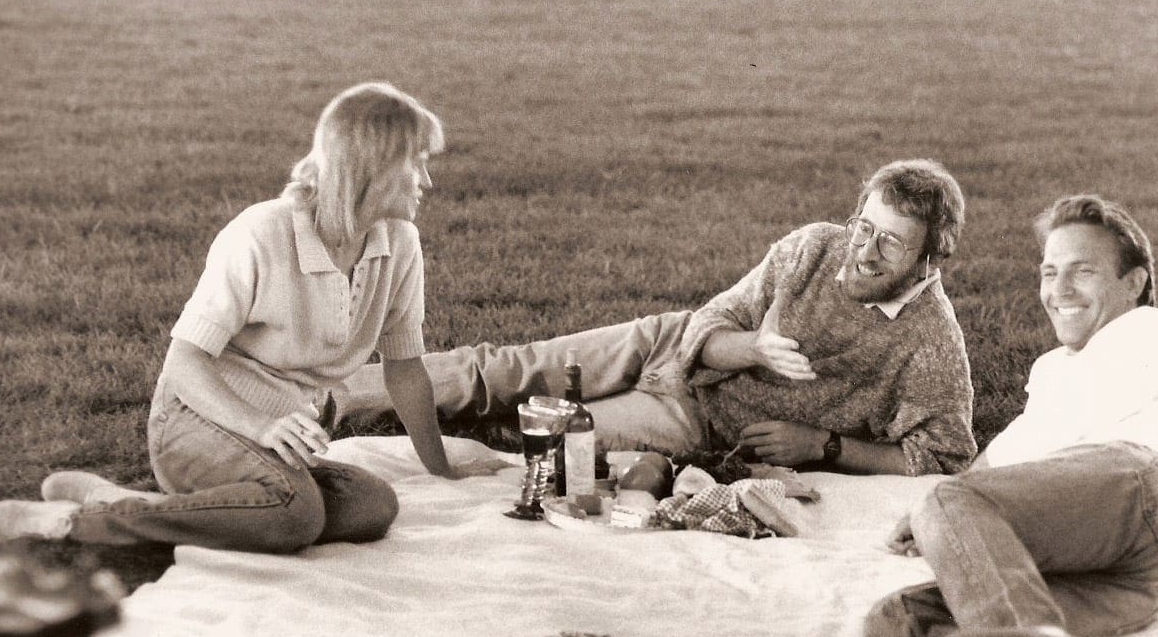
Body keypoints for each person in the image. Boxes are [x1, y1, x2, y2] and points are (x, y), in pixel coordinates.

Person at [0, 82, 506, 555]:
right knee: (295, 513)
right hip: (198, 420)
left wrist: (442, 472)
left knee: (371, 505)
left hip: (278, 441)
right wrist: (260, 426)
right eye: (417, 163)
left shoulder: (400, 244)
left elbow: (405, 371)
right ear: (373, 167)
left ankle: (137, 503)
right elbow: (184, 362)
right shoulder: (261, 233)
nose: (426, 182)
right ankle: (70, 525)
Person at [335, 159, 977, 475]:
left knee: (548, 448)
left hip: (694, 418)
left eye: (890, 242)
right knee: (505, 371)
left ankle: (421, 456)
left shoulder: (930, 346)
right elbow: (712, 323)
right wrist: (756, 347)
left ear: (928, 261)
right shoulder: (815, 246)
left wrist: (824, 446)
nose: (862, 249)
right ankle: (327, 394)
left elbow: (944, 457)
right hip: (666, 344)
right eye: (863, 224)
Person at [863, 194, 1158, 637]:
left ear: (1133, 282)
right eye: (1050, 273)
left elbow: (1060, 439)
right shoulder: (1053, 370)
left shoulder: (1153, 329)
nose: (1060, 290)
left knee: (948, 503)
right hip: (1111, 584)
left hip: (1141, 490)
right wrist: (941, 524)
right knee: (895, 619)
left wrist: (951, 508)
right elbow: (1003, 458)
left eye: (1083, 271)